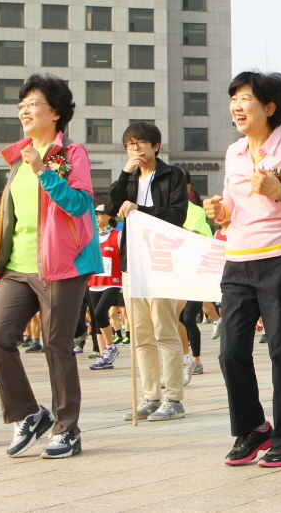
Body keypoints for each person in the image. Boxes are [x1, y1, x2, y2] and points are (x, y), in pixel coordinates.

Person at [204, 71, 281, 468]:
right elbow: (232, 211)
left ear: (269, 108)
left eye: (245, 98)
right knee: (230, 351)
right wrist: (220, 212)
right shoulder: (234, 152)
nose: (237, 106)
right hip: (237, 261)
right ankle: (254, 428)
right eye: (233, 98)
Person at [0, 75, 103, 456]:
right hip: (18, 265)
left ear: (55, 112)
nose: (24, 109)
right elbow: (22, 213)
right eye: (21, 104)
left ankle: (68, 428)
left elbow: (80, 204)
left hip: (62, 265)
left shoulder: (70, 154)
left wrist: (43, 170)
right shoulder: (18, 157)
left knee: (57, 344)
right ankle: (29, 413)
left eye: (33, 103)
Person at [105, 122, 189, 422]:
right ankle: (150, 396)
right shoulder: (128, 178)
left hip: (161, 260)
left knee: (164, 329)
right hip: (132, 262)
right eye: (130, 144)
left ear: (156, 145)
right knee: (139, 333)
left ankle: (174, 398)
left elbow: (177, 216)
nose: (136, 149)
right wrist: (125, 173)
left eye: (141, 143)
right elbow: (111, 207)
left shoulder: (173, 175)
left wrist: (140, 210)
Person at [178, 199, 213, 384]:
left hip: (196, 273)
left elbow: (193, 236)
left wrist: (171, 233)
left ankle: (196, 360)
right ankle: (184, 359)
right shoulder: (163, 208)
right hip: (175, 272)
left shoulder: (196, 212)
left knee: (188, 319)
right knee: (176, 320)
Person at [87, 207, 122, 370]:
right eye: (96, 215)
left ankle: (110, 346)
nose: (97, 217)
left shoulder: (118, 236)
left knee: (100, 312)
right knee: (96, 319)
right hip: (94, 281)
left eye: (101, 214)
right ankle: (103, 357)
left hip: (113, 281)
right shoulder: (91, 236)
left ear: (109, 216)